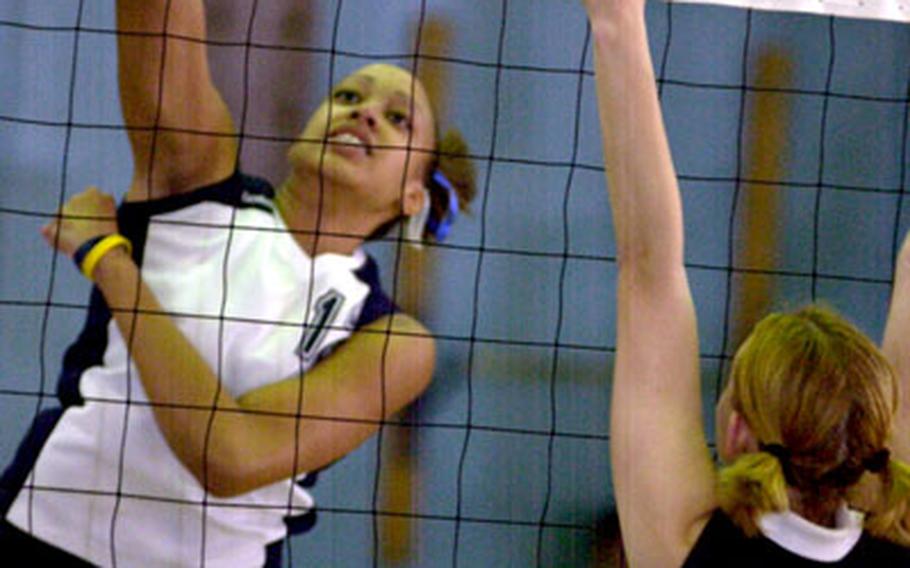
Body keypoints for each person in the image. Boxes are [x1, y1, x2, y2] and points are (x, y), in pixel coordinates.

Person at [0, 1, 475, 566]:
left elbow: (229, 459)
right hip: (41, 530)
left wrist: (108, 258)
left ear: (413, 198)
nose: (364, 113)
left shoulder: (392, 340)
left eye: (398, 119)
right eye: (348, 96)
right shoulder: (195, 184)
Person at [581, 0, 910, 566]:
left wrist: (616, 20)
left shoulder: (687, 546)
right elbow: (647, 271)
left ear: (738, 433)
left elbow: (649, 270)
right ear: (874, 446)